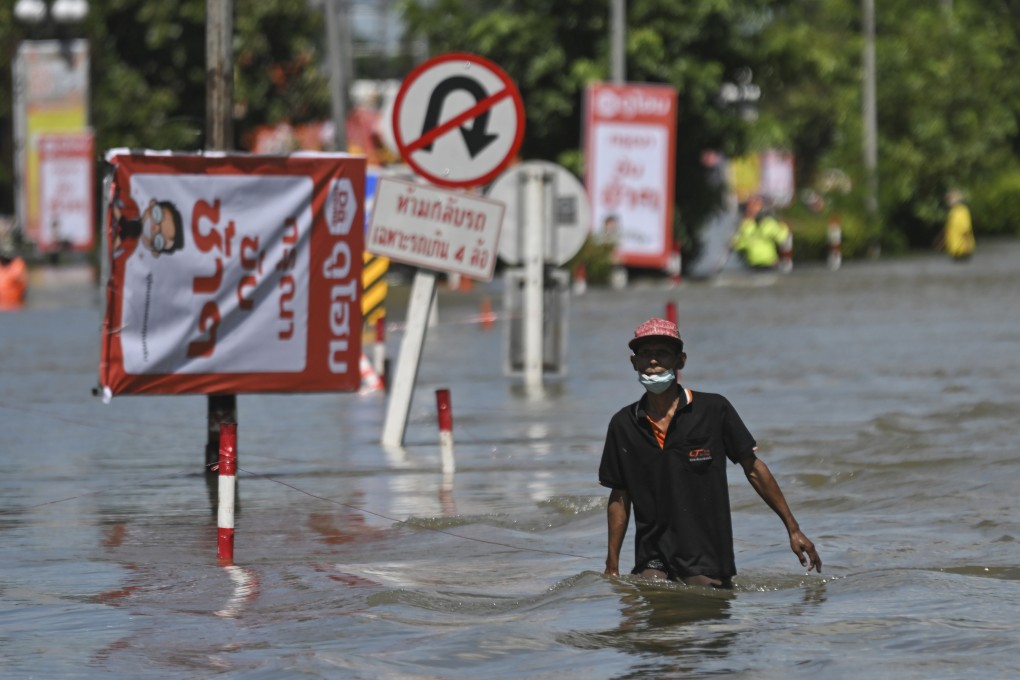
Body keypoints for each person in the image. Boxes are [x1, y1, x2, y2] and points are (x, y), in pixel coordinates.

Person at [599, 317, 822, 587]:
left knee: (708, 610)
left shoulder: (714, 410)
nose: (653, 361)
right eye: (645, 354)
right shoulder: (623, 424)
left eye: (662, 353)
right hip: (652, 556)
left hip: (707, 555)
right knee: (652, 597)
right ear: (634, 362)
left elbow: (753, 468)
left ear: (680, 361)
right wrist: (612, 566)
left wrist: (793, 528)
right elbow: (619, 495)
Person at [730, 195, 791, 270]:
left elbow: (783, 237)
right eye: (751, 205)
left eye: (757, 205)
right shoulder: (743, 225)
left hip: (770, 263)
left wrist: (782, 227)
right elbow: (736, 244)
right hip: (750, 265)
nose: (753, 208)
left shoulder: (768, 223)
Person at [937, 190, 975, 261]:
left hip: (962, 250)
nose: (947, 202)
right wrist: (942, 243)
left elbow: (965, 230)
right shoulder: (952, 212)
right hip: (954, 250)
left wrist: (967, 247)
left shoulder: (962, 212)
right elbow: (949, 230)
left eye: (949, 199)